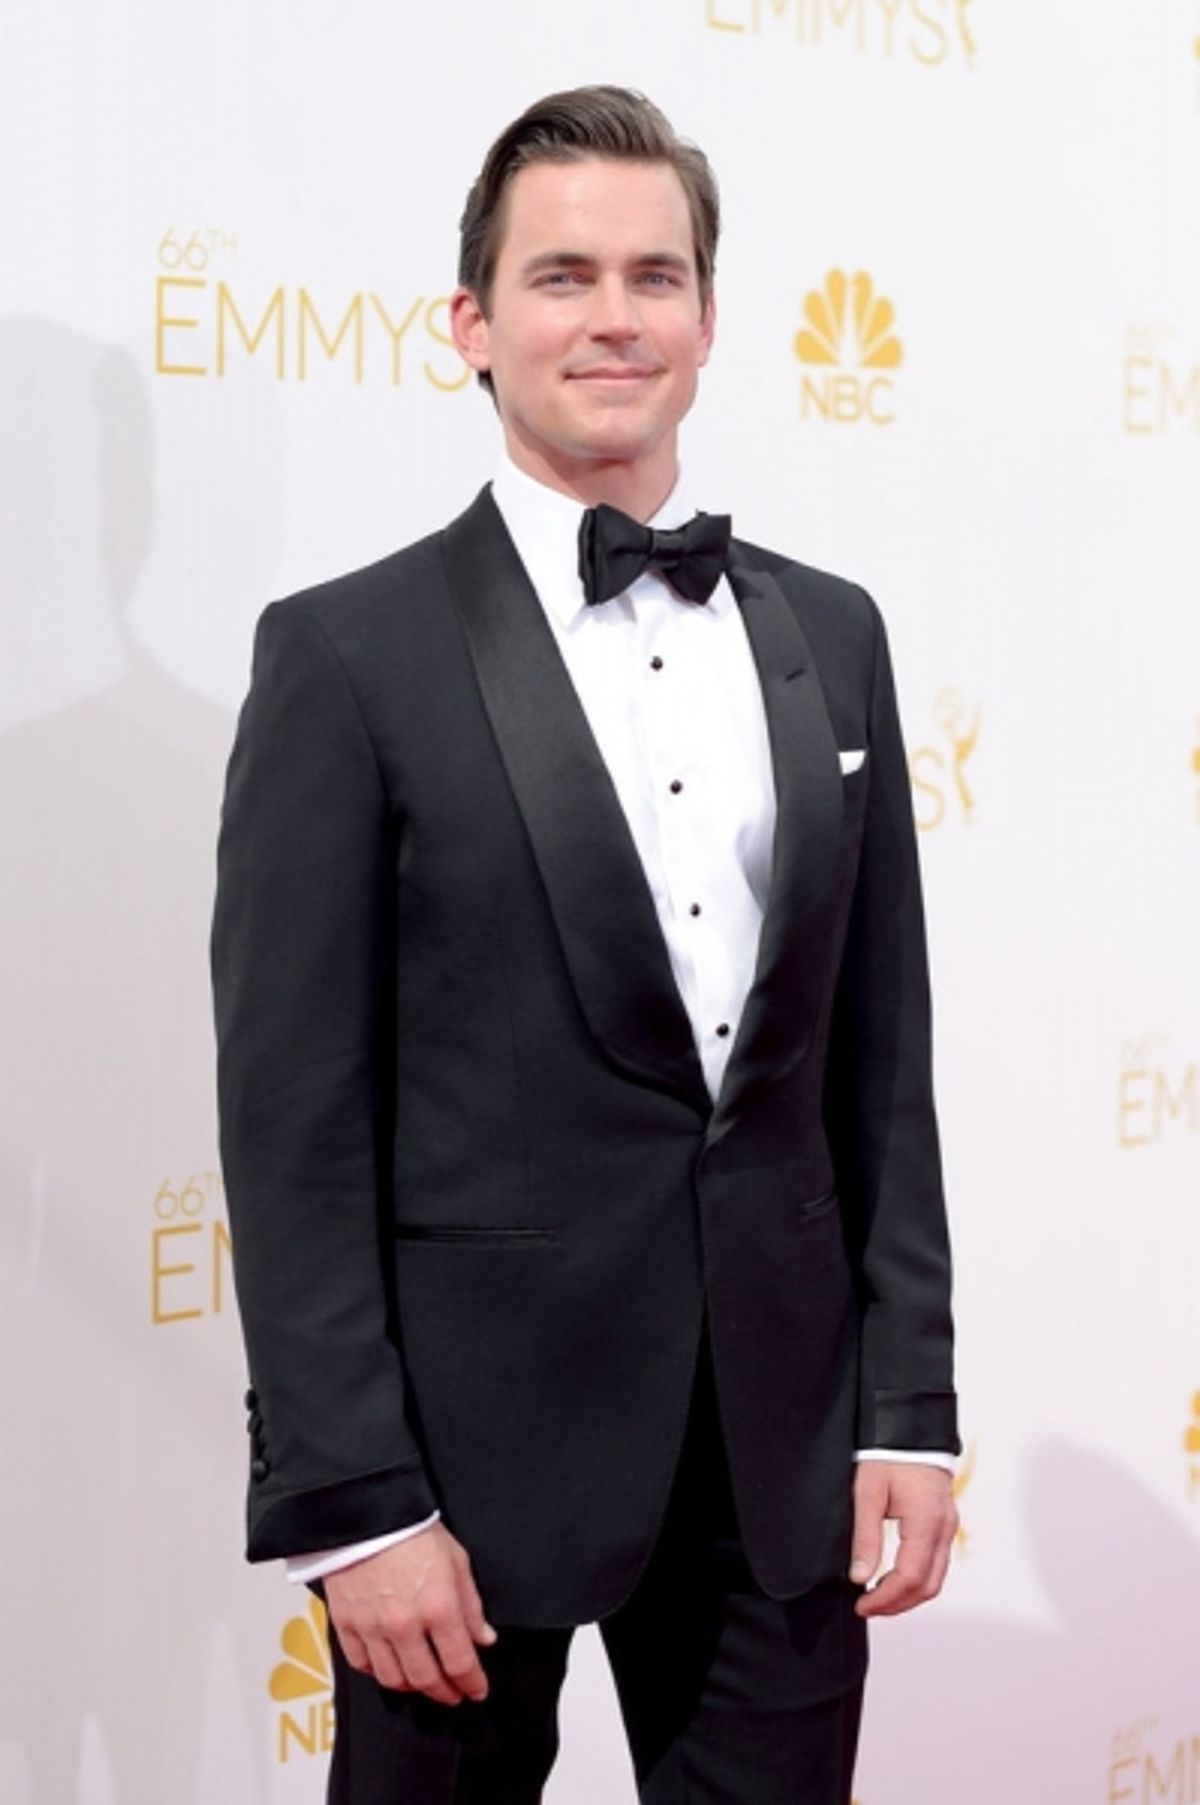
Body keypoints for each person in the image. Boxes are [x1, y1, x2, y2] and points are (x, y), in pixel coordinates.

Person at [211, 84, 959, 1805]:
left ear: (707, 318)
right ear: (472, 324)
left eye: (653, 274)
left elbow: (881, 1054)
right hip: (460, 1483)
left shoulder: (833, 632)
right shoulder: (347, 655)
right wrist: (355, 1501)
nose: (613, 315)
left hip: (782, 1455)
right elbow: (294, 1122)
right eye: (561, 276)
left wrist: (906, 1403)